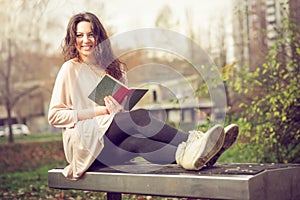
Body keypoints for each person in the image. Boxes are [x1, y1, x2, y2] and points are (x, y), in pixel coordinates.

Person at [48, 12, 239, 180]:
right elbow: (55, 116)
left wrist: (119, 110)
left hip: (107, 146)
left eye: (91, 34)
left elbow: (122, 120)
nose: (85, 40)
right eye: (79, 35)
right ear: (73, 39)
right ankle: (193, 142)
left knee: (137, 142)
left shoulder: (113, 69)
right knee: (139, 116)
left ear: (99, 37)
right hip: (85, 144)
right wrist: (99, 111)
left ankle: (195, 157)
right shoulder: (70, 69)